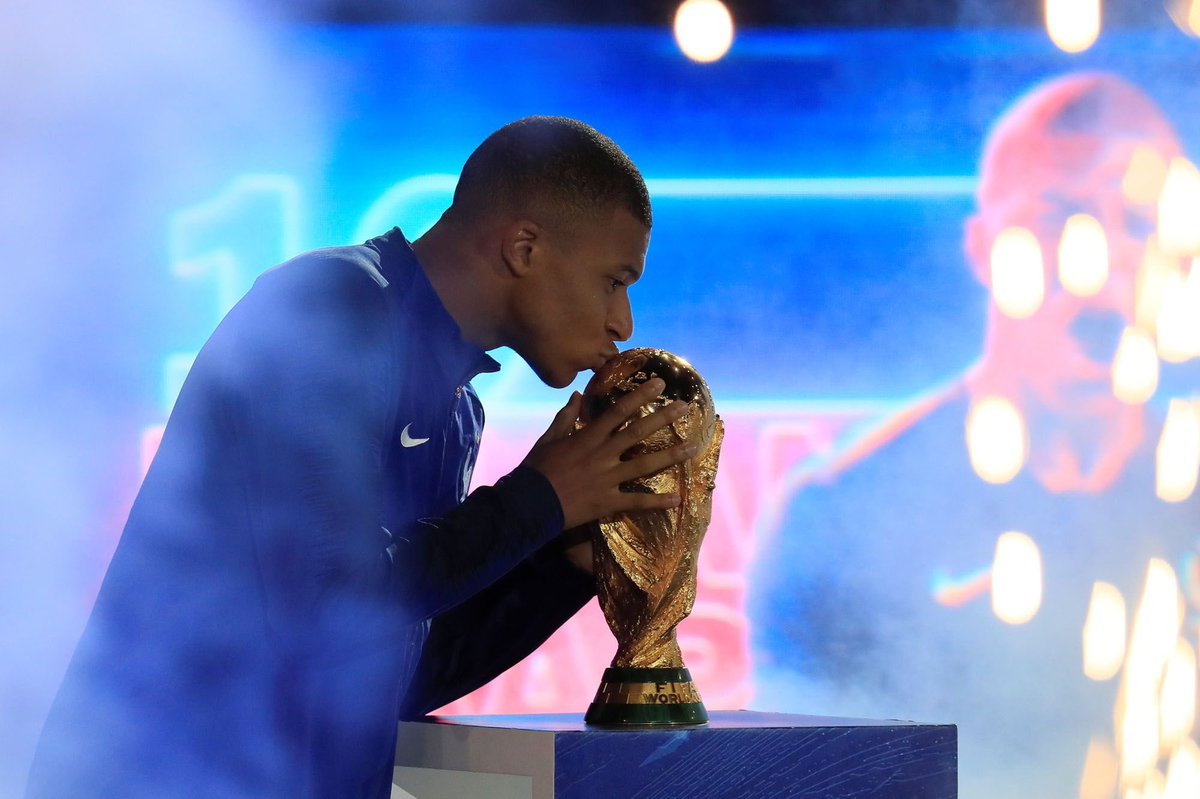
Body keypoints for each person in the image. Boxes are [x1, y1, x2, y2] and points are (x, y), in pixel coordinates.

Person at [26, 117, 696, 799]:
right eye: (616, 280)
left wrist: (562, 558)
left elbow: (390, 663)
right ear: (524, 246)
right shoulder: (330, 305)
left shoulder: (458, 409)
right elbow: (330, 597)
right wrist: (542, 498)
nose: (624, 323)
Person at [750, 73, 1199, 797]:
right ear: (984, 246)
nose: (1103, 260)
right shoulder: (840, 515)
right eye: (1060, 217)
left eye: (1140, 221)